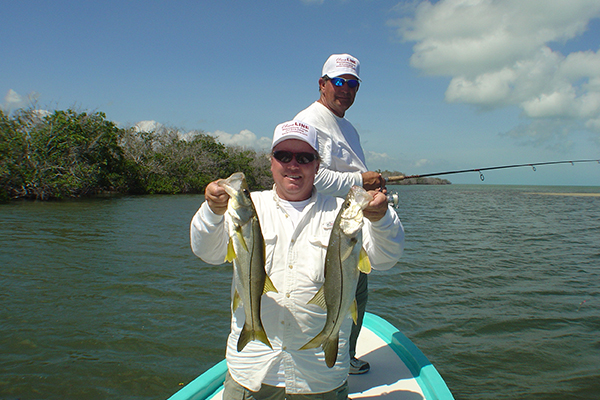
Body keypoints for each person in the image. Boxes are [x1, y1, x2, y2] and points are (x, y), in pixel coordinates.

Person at [190, 120, 404, 399]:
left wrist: (381, 219)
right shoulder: (248, 206)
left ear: (317, 166)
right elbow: (207, 251)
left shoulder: (342, 212)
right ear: (271, 162)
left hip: (319, 379)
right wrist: (212, 211)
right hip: (252, 373)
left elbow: (386, 258)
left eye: (304, 158)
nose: (293, 165)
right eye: (284, 156)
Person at [293, 53, 383, 375]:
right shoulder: (309, 121)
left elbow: (348, 175)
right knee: (327, 297)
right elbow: (312, 177)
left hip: (352, 229)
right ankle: (315, 364)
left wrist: (371, 189)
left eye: (353, 84)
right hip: (324, 232)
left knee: (357, 297)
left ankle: (345, 356)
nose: (346, 89)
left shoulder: (349, 129)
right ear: (322, 84)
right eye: (340, 82)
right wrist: (362, 180)